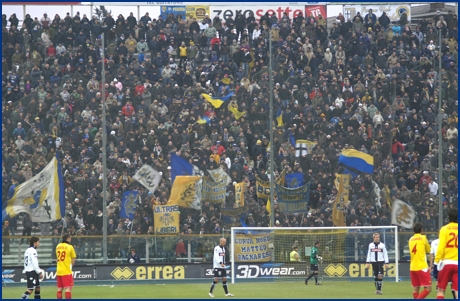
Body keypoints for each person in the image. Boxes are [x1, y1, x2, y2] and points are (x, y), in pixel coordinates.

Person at [434, 208, 458, 299]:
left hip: (446, 263)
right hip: (457, 263)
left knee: (441, 290)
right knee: (457, 291)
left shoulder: (444, 229)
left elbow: (441, 247)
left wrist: (436, 263)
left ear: (448, 217)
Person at [408, 223, 432, 299]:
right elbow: (428, 250)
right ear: (421, 230)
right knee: (428, 288)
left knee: (416, 288)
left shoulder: (410, 239)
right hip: (422, 267)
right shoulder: (423, 238)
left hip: (412, 267)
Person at [56, 234, 77, 299]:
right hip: (66, 270)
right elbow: (73, 259)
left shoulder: (58, 246)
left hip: (59, 270)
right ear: (68, 238)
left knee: (60, 288)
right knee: (68, 288)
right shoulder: (70, 247)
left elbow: (57, 258)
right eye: (70, 238)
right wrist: (71, 266)